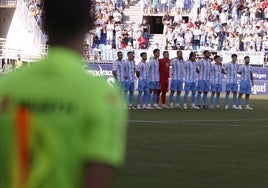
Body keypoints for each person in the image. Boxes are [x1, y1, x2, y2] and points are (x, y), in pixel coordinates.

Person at [0, 0, 128, 188]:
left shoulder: (7, 88)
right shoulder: (102, 95)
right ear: (89, 25)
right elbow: (96, 178)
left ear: (45, 25)